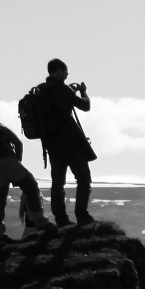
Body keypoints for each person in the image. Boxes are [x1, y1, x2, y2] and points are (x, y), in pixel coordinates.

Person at [30, 58, 95, 226]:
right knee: (83, 177)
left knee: (58, 181)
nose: (67, 75)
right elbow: (85, 106)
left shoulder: (41, 92)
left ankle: (61, 219)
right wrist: (83, 92)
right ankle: (82, 215)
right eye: (65, 72)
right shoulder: (62, 89)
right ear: (58, 71)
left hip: (51, 143)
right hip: (70, 142)